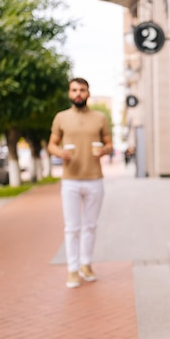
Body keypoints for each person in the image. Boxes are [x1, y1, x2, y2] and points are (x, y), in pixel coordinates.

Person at [47, 78, 113, 289]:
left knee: (90, 226)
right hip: (70, 181)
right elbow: (51, 144)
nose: (78, 93)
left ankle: (86, 265)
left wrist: (104, 150)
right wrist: (60, 153)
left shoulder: (100, 117)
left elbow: (110, 143)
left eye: (82, 90)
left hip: (94, 179)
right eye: (74, 90)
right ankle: (72, 270)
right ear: (69, 93)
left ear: (88, 93)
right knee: (72, 227)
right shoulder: (61, 117)